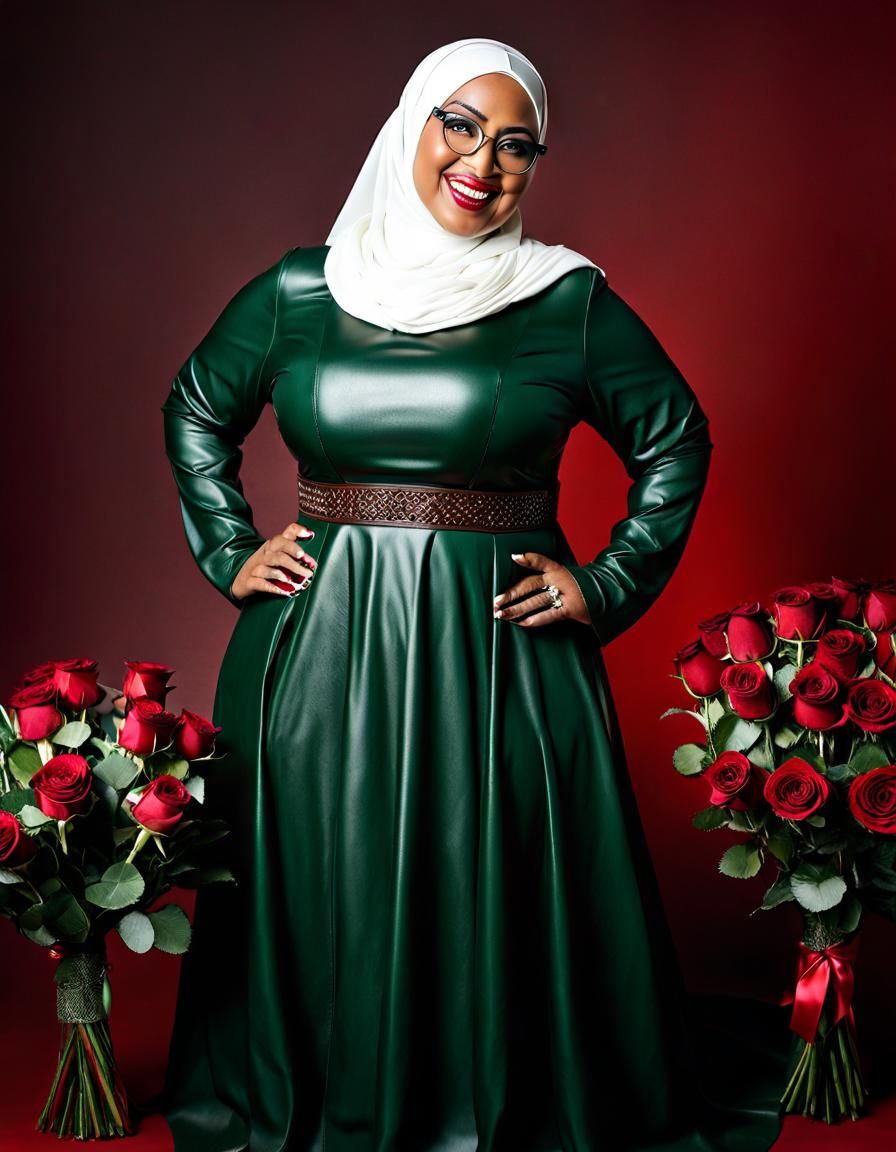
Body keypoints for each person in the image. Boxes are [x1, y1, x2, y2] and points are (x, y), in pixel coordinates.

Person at [159, 36, 797, 1152]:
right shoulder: (301, 289)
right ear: (414, 124)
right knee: (326, 882)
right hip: (315, 650)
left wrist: (606, 582)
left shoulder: (565, 298)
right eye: (460, 126)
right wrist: (227, 549)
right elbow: (196, 408)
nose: (482, 163)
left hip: (501, 654)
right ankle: (336, 1090)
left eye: (516, 144)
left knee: (487, 885)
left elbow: (674, 439)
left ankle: (489, 1100)